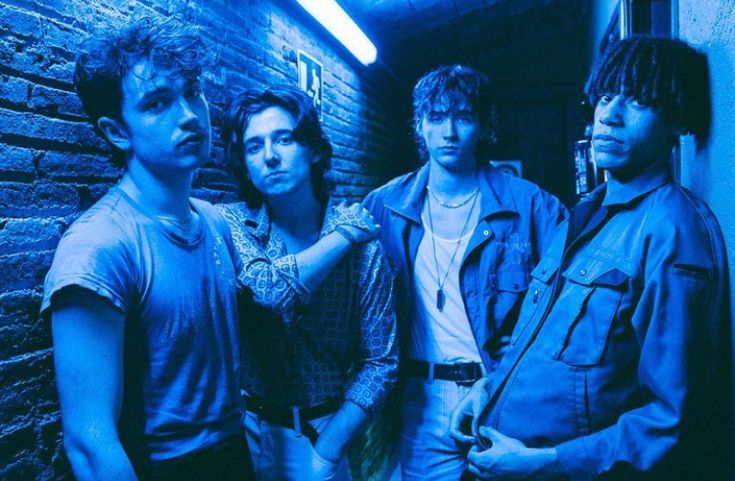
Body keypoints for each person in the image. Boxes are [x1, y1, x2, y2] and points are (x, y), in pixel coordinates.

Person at [449, 36, 731, 480]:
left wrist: (544, 464)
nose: (609, 116)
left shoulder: (670, 231)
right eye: (604, 96)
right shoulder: (585, 214)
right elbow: (543, 346)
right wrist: (490, 387)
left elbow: (671, 418)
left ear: (675, 121)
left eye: (637, 101)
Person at [42, 16, 254, 481]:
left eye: (192, 91)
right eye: (158, 102)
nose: (189, 116)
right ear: (117, 131)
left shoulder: (213, 221)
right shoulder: (100, 244)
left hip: (235, 452)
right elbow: (90, 443)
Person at [362, 64, 567, 480]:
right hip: (419, 400)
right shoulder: (384, 206)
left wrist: (499, 382)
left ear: (485, 125)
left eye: (463, 117)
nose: (448, 132)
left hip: (502, 392)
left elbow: (562, 318)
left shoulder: (533, 207)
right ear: (420, 126)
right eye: (436, 118)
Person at [218, 85, 398, 481]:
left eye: (285, 139)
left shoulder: (365, 250)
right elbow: (268, 293)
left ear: (314, 150)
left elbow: (381, 360)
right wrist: (343, 237)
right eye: (254, 147)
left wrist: (327, 451)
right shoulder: (231, 225)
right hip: (244, 431)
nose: (270, 156)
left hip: (321, 431)